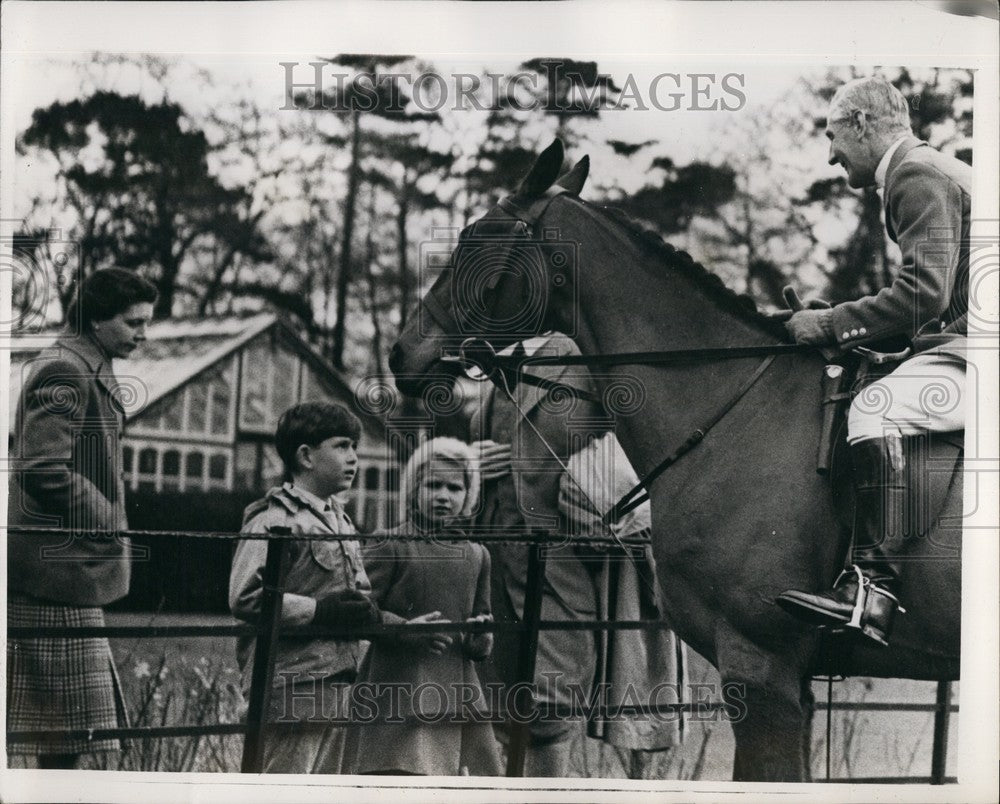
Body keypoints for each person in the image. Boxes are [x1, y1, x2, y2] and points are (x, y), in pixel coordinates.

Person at [776, 76, 970, 645]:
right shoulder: (935, 168)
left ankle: (871, 591)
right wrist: (854, 326)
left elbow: (923, 293)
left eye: (833, 136)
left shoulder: (915, 174)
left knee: (874, 406)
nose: (830, 155)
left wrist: (831, 324)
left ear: (861, 124)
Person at [472, 332, 679, 775]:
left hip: (568, 567)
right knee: (499, 707)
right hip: (498, 565)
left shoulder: (584, 349)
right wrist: (470, 463)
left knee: (551, 707)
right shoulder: (494, 367)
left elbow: (634, 444)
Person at [7, 267, 157, 769]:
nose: (143, 334)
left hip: (69, 578)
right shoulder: (65, 368)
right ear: (96, 318)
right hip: (53, 580)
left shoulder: (87, 363)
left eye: (146, 322)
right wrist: (106, 518)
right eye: (133, 322)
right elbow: (40, 467)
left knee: (68, 743)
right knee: (62, 743)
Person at [229, 401, 381, 774]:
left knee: (322, 791)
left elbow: (357, 590)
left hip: (337, 680)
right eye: (342, 446)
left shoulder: (340, 521)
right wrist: (320, 612)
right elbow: (245, 596)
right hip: (290, 682)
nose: (353, 458)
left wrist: (365, 610)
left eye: (355, 447)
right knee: (282, 791)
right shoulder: (274, 520)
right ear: (306, 456)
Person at [344, 437, 502, 776]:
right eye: (433, 485)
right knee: (398, 774)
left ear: (469, 495)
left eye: (455, 488)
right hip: (397, 684)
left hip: (456, 690)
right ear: (413, 489)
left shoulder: (477, 554)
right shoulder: (390, 543)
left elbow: (479, 631)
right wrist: (403, 629)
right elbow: (359, 612)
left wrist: (481, 637)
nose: (444, 496)